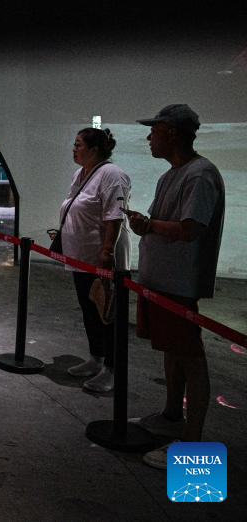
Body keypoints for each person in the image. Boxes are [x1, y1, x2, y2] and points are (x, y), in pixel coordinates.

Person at [124, 104, 225, 470]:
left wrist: (149, 225)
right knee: (173, 351)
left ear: (171, 132)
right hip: (161, 282)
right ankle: (171, 416)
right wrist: (146, 224)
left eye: (154, 130)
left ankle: (192, 445)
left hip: (180, 283)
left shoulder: (200, 174)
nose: (149, 137)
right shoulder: (172, 174)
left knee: (189, 356)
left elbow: (190, 228)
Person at [55, 128, 131, 393]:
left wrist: (106, 252)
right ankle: (96, 357)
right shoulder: (81, 174)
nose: (74, 149)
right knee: (89, 309)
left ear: (95, 149)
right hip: (81, 257)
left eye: (78, 145)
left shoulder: (111, 175)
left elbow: (114, 216)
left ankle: (112, 369)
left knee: (107, 313)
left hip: (101, 259)